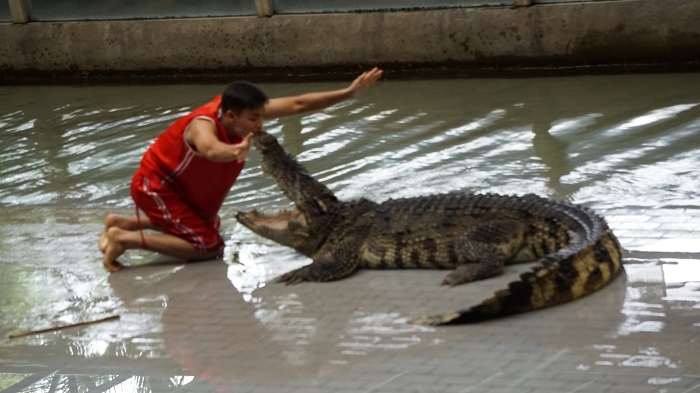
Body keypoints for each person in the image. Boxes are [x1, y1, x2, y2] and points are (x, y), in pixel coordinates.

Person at [99, 67, 383, 272]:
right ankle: (123, 238)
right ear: (231, 115)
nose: (260, 123)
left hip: (180, 191)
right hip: (157, 186)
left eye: (261, 115)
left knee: (210, 224)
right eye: (254, 118)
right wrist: (233, 151)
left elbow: (298, 104)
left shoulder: (241, 115)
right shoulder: (203, 124)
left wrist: (348, 92)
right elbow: (210, 148)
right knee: (207, 246)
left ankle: (122, 222)